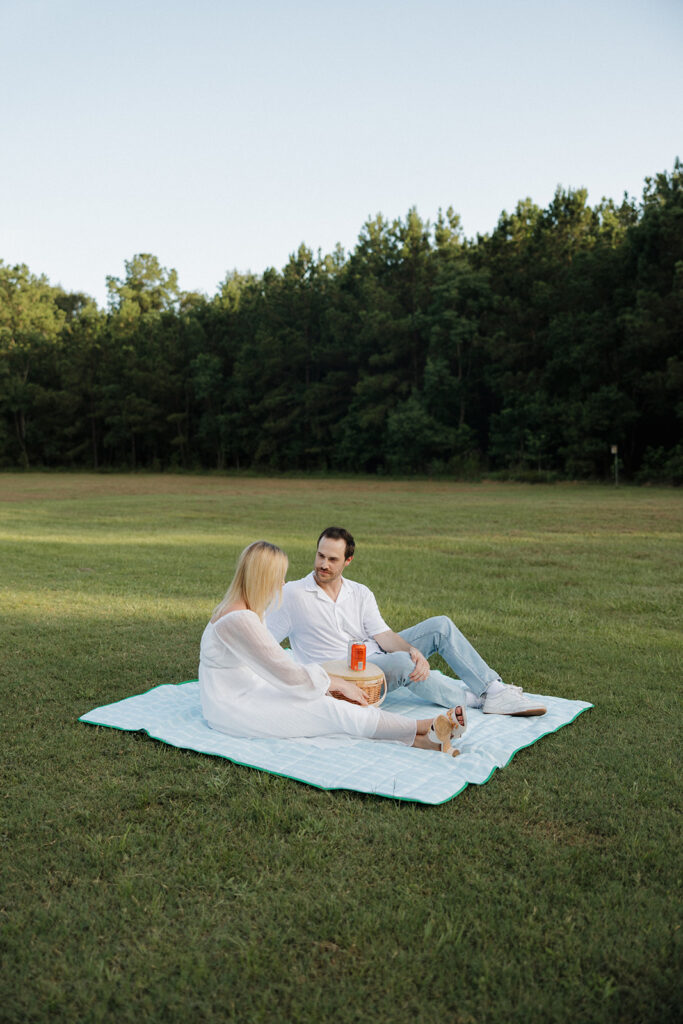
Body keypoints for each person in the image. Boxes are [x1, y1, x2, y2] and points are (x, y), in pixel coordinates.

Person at [199, 540, 467, 755]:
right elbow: (284, 671)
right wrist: (336, 682)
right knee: (329, 709)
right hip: (236, 707)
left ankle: (428, 741)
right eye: (278, 577)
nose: (282, 583)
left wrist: (326, 682)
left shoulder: (241, 610)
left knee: (326, 703)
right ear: (262, 579)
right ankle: (426, 727)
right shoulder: (239, 619)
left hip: (249, 692)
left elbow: (276, 659)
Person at [265, 527, 546, 716]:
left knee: (440, 626)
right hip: (348, 676)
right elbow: (263, 641)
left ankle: (492, 689)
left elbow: (384, 636)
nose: (323, 564)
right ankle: (474, 700)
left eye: (332, 559)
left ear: (348, 561)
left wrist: (412, 649)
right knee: (403, 663)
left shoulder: (359, 592)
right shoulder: (292, 594)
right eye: (320, 556)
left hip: (374, 654)